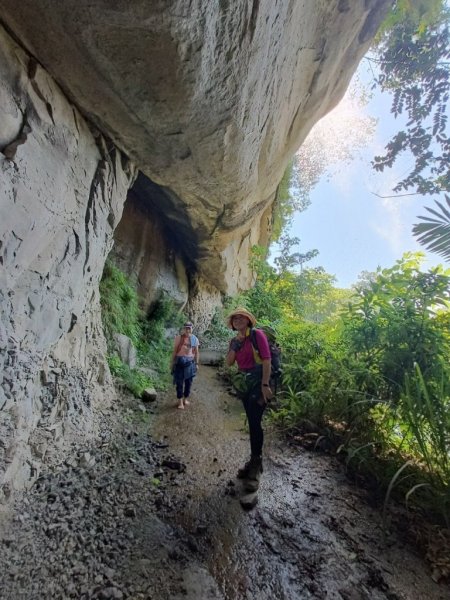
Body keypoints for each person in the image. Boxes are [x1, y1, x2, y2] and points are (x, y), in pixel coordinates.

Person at [226, 308, 272, 490]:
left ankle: (255, 465)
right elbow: (229, 363)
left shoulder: (257, 335)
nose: (237, 320)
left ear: (248, 320)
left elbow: (267, 360)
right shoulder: (234, 340)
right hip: (244, 384)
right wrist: (235, 347)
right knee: (252, 422)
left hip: (259, 383)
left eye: (241, 317)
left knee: (254, 423)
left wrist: (265, 385)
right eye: (234, 318)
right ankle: (254, 461)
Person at [171, 322, 199, 409]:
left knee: (188, 383)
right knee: (179, 383)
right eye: (186, 328)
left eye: (189, 328)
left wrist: (197, 364)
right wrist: (172, 362)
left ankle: (185, 399)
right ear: (183, 329)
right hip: (179, 363)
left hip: (190, 363)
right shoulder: (178, 338)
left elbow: (197, 352)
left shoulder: (194, 339)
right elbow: (175, 351)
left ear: (192, 329)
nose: (187, 330)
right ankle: (180, 402)